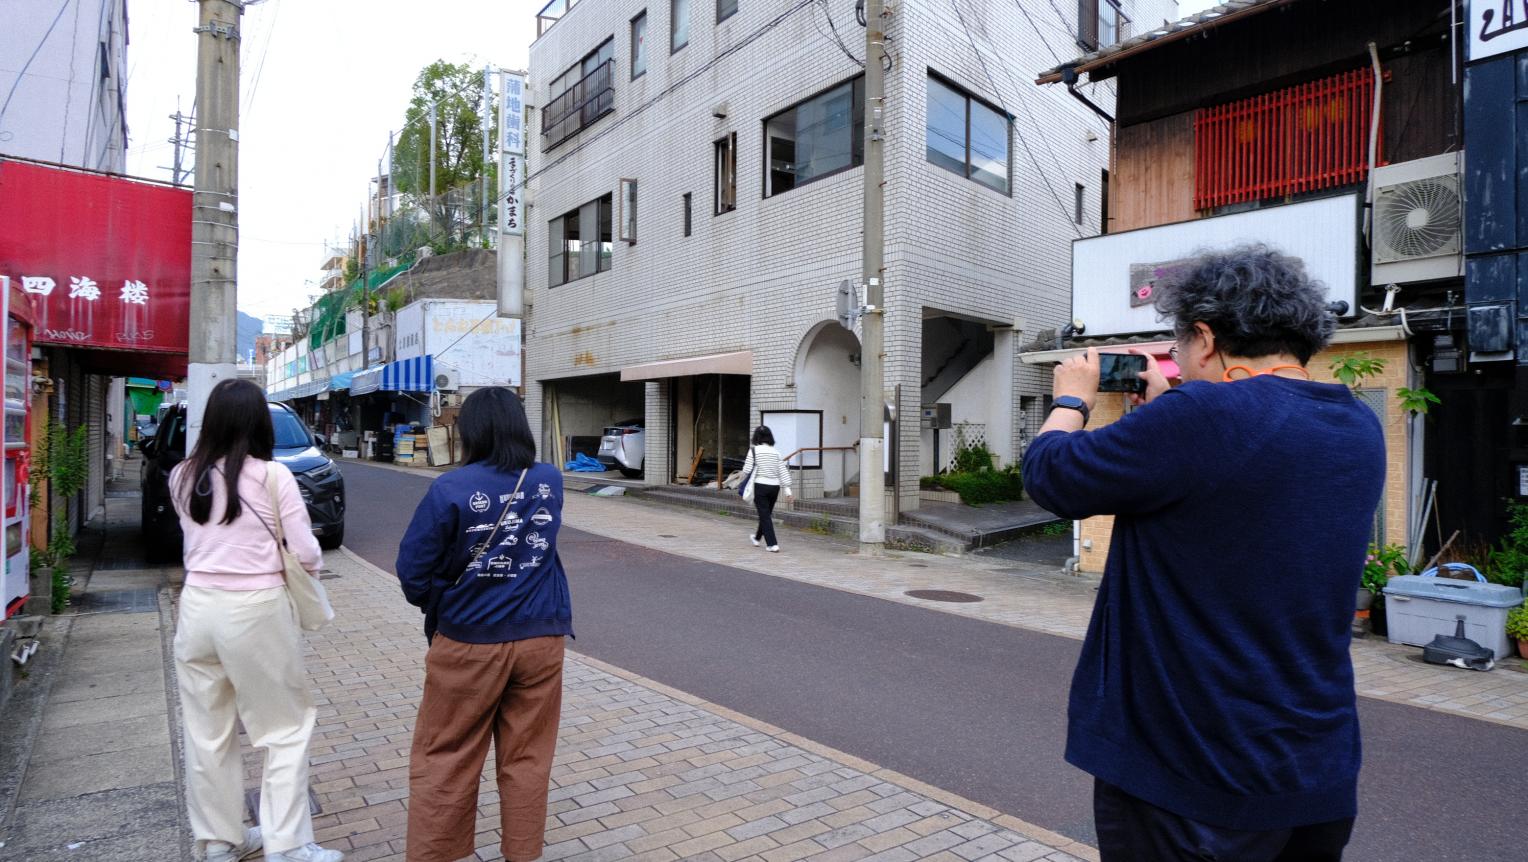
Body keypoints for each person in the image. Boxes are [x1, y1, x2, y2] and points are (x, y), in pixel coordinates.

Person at [1022, 245, 1384, 862]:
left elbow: (1051, 475)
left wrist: (1070, 399)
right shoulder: (1357, 425)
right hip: (1313, 770)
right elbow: (1234, 491)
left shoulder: (1205, 416)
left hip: (1194, 775)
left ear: (1207, 338)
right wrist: (1170, 410)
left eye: (1181, 345)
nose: (1181, 363)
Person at [170, 379, 343, 862]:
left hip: (197, 607)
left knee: (207, 732)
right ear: (259, 423)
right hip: (255, 609)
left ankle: (219, 841)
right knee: (284, 729)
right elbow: (306, 550)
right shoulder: (272, 476)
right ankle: (287, 845)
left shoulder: (182, 474)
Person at [396, 387, 572, 862]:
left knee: (447, 757)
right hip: (541, 638)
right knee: (528, 760)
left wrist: (440, 603)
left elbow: (413, 571)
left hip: (469, 641)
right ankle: (521, 854)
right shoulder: (548, 480)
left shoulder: (450, 488)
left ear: (471, 430)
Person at [741, 425, 793, 552]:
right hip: (775, 487)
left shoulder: (753, 450)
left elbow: (747, 470)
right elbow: (783, 471)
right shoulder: (776, 452)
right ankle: (757, 538)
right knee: (766, 514)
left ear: (756, 437)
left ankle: (772, 544)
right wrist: (788, 491)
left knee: (765, 515)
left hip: (760, 486)